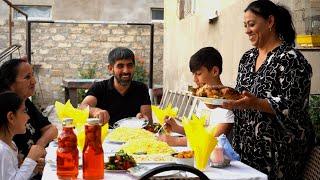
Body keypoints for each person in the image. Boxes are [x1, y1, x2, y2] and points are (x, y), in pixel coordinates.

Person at [217, 0, 315, 179]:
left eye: (252, 24)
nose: (247, 30)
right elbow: (242, 97)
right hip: (245, 151)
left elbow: (293, 107)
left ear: (270, 22)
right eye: (245, 25)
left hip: (278, 155)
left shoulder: (291, 60)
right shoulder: (247, 58)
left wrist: (256, 103)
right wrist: (220, 99)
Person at [158, 47, 234, 146]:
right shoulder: (203, 99)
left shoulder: (227, 103)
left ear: (215, 71)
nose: (195, 79)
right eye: (193, 74)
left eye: (198, 74)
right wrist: (177, 128)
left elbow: (213, 139)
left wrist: (177, 141)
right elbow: (199, 131)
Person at [0, 58, 58, 179]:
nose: (34, 81)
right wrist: (31, 159)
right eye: (27, 77)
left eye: (33, 75)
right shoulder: (4, 148)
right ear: (10, 83)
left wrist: (34, 162)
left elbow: (52, 129)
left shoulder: (25, 103)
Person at [80, 47, 152, 127]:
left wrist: (143, 120)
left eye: (130, 65)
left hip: (132, 137)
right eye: (120, 66)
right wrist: (94, 111)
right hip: (105, 137)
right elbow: (82, 107)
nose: (126, 70)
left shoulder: (141, 89)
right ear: (111, 69)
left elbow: (148, 122)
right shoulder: (99, 87)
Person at [0, 91, 46, 180]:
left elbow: (14, 176)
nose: (28, 117)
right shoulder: (2, 150)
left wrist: (33, 170)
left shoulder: (11, 144)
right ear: (11, 117)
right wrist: (30, 159)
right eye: (24, 111)